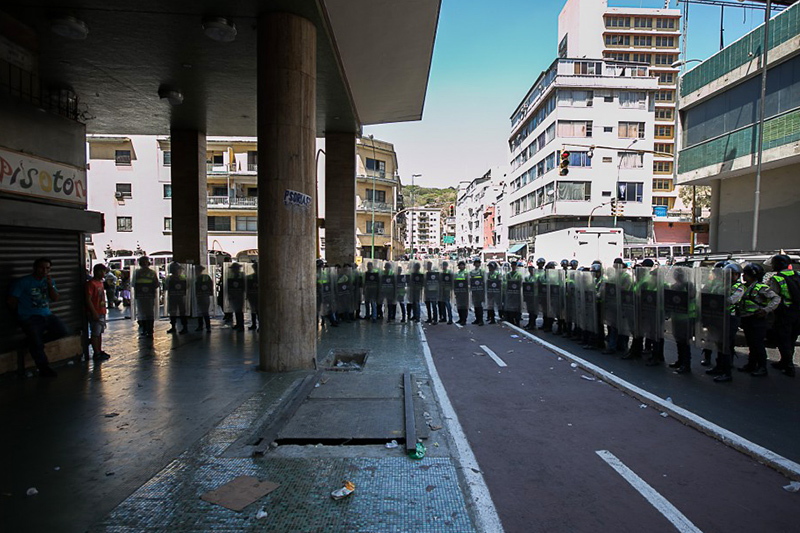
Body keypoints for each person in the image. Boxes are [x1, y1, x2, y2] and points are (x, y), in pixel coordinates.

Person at [8, 257, 69, 377]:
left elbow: (55, 298)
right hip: (30, 317)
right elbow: (11, 301)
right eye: (42, 268)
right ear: (35, 268)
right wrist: (20, 315)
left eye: (48, 268)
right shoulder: (23, 282)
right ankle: (43, 367)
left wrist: (50, 286)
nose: (45, 271)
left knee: (63, 331)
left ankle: (32, 341)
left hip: (46, 314)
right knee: (37, 343)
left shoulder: (49, 281)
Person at [737, 262, 780, 376]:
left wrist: (766, 310)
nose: (743, 276)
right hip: (747, 319)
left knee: (758, 344)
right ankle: (751, 365)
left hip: (757, 320)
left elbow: (776, 299)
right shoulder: (746, 286)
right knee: (752, 343)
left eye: (745, 274)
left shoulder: (761, 288)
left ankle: (762, 367)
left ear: (752, 275)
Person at [708, 262, 745, 383]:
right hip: (719, 317)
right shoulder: (722, 285)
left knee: (726, 346)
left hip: (731, 318)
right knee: (719, 344)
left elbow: (730, 300)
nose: (730, 277)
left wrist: (718, 299)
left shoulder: (739, 287)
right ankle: (719, 367)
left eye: (733, 274)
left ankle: (727, 372)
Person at [767, 254, 800, 377]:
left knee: (783, 339)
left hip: (785, 313)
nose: (772, 265)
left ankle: (789, 366)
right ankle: (784, 362)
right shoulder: (797, 275)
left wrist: (766, 310)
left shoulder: (777, 278)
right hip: (797, 312)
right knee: (791, 338)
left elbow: (773, 298)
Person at [86, 263, 111, 361]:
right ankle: (96, 352)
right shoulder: (91, 284)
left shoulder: (100, 283)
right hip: (95, 312)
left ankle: (99, 350)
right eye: (103, 272)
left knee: (99, 332)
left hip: (101, 311)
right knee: (95, 333)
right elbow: (88, 299)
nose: (104, 274)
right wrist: (94, 312)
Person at [133, 256, 158, 337]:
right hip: (149, 296)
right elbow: (156, 284)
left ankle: (144, 329)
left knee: (142, 313)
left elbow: (133, 284)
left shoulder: (137, 272)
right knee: (149, 313)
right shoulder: (152, 272)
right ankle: (150, 330)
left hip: (140, 296)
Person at [166, 262, 189, 334]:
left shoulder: (169, 278)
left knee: (174, 312)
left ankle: (174, 327)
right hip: (180, 297)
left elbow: (166, 287)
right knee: (179, 312)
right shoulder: (183, 278)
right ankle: (183, 327)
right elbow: (187, 286)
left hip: (174, 297)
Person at [194, 265, 214, 332]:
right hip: (204, 296)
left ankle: (203, 326)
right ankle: (205, 327)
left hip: (203, 296)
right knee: (202, 312)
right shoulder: (205, 277)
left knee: (203, 312)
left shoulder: (198, 278)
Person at [469, 258, 485, 326]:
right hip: (474, 290)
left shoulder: (482, 271)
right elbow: (470, 280)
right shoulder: (472, 272)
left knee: (479, 305)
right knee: (475, 305)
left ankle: (481, 320)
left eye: (478, 263)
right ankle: (477, 319)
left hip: (480, 290)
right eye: (476, 263)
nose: (477, 264)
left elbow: (484, 281)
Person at [453, 261, 469, 325]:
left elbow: (467, 282)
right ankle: (460, 318)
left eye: (462, 265)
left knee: (464, 306)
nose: (460, 266)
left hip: (464, 292)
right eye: (459, 265)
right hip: (458, 292)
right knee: (459, 306)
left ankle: (464, 319)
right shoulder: (457, 273)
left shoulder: (466, 273)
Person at [246, 263, 259, 331]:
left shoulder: (260, 277)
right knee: (253, 311)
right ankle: (254, 324)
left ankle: (257, 325)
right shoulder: (251, 276)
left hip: (257, 296)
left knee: (257, 311)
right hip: (253, 295)